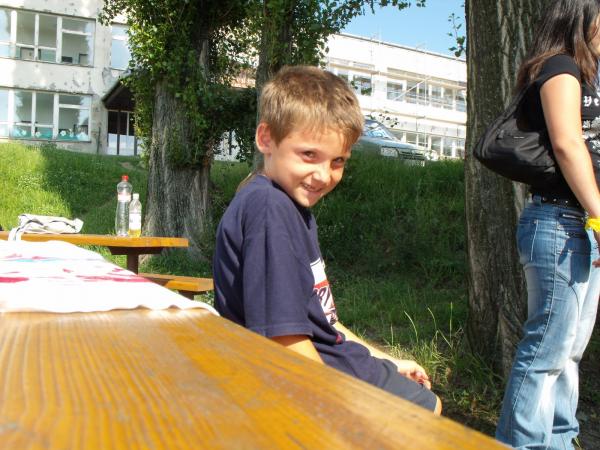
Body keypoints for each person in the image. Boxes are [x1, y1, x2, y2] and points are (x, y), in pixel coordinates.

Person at [213, 65, 441, 414]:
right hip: (313, 377)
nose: (323, 175)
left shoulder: (287, 204)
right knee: (427, 409)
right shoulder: (269, 208)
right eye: (309, 155)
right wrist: (339, 411)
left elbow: (325, 321)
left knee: (424, 398)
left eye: (338, 161)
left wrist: (387, 361)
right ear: (266, 139)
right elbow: (284, 341)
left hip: (333, 357)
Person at [496, 1, 600, 448]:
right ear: (582, 16)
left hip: (582, 225)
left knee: (568, 353)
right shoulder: (560, 67)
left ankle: (559, 441)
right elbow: (567, 144)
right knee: (546, 351)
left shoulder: (590, 75)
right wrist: (599, 215)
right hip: (562, 222)